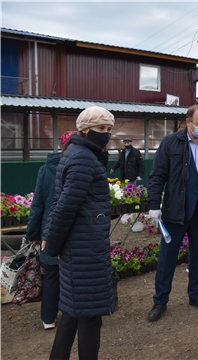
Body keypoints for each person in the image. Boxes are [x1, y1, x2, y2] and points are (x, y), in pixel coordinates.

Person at [146, 105, 198, 321]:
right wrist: (154, 205)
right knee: (166, 259)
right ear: (188, 122)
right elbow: (157, 175)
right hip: (176, 212)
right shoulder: (170, 143)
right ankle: (160, 301)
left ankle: (195, 295)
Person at [42, 107, 116, 360]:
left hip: (79, 245)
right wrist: (54, 246)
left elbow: (59, 202)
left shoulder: (78, 153)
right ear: (85, 130)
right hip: (84, 248)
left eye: (109, 129)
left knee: (73, 312)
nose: (106, 134)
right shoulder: (83, 158)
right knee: (89, 317)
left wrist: (54, 244)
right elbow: (64, 207)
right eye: (101, 129)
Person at [26, 130, 76, 330]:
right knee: (74, 275)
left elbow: (37, 205)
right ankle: (74, 315)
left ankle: (48, 318)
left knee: (52, 275)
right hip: (74, 232)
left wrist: (32, 234)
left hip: (50, 230)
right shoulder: (83, 166)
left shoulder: (45, 169)